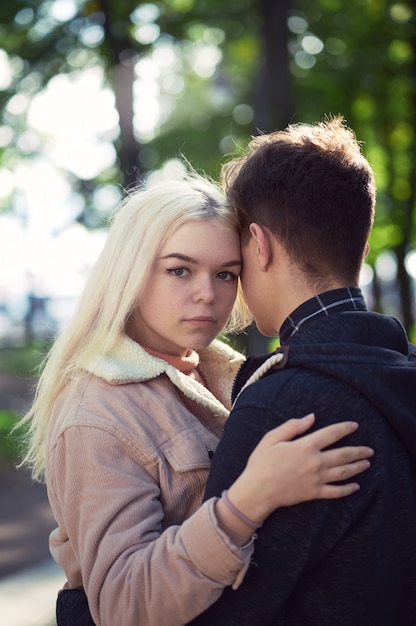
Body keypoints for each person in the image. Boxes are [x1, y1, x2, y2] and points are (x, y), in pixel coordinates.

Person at [17, 169, 373, 626]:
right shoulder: (96, 412)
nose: (207, 294)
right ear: (130, 272)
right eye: (179, 270)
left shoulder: (229, 374)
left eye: (226, 273)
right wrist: (247, 501)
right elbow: (123, 604)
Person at [187, 117, 416, 626]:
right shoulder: (403, 371)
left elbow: (207, 613)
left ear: (259, 245)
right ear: (358, 241)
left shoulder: (282, 409)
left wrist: (80, 599)